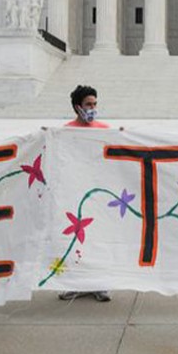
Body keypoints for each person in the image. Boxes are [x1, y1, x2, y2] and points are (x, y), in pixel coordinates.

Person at [60, 85, 111, 302]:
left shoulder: (104, 129)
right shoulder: (65, 131)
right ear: (77, 107)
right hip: (74, 189)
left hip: (98, 191)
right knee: (75, 239)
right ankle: (75, 283)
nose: (92, 108)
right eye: (88, 104)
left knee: (99, 238)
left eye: (95, 104)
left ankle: (99, 284)